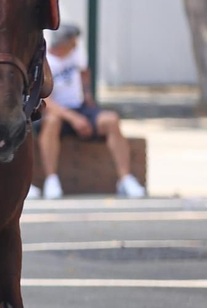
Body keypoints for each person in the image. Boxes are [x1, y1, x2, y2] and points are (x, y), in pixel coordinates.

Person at [29, 24, 146, 199]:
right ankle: (51, 180)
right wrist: (73, 118)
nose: (76, 45)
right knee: (52, 122)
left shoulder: (76, 53)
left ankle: (125, 178)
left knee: (111, 120)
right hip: (56, 112)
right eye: (73, 42)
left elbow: (84, 72)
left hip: (80, 107)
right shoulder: (46, 61)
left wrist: (87, 95)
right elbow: (45, 99)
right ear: (63, 43)